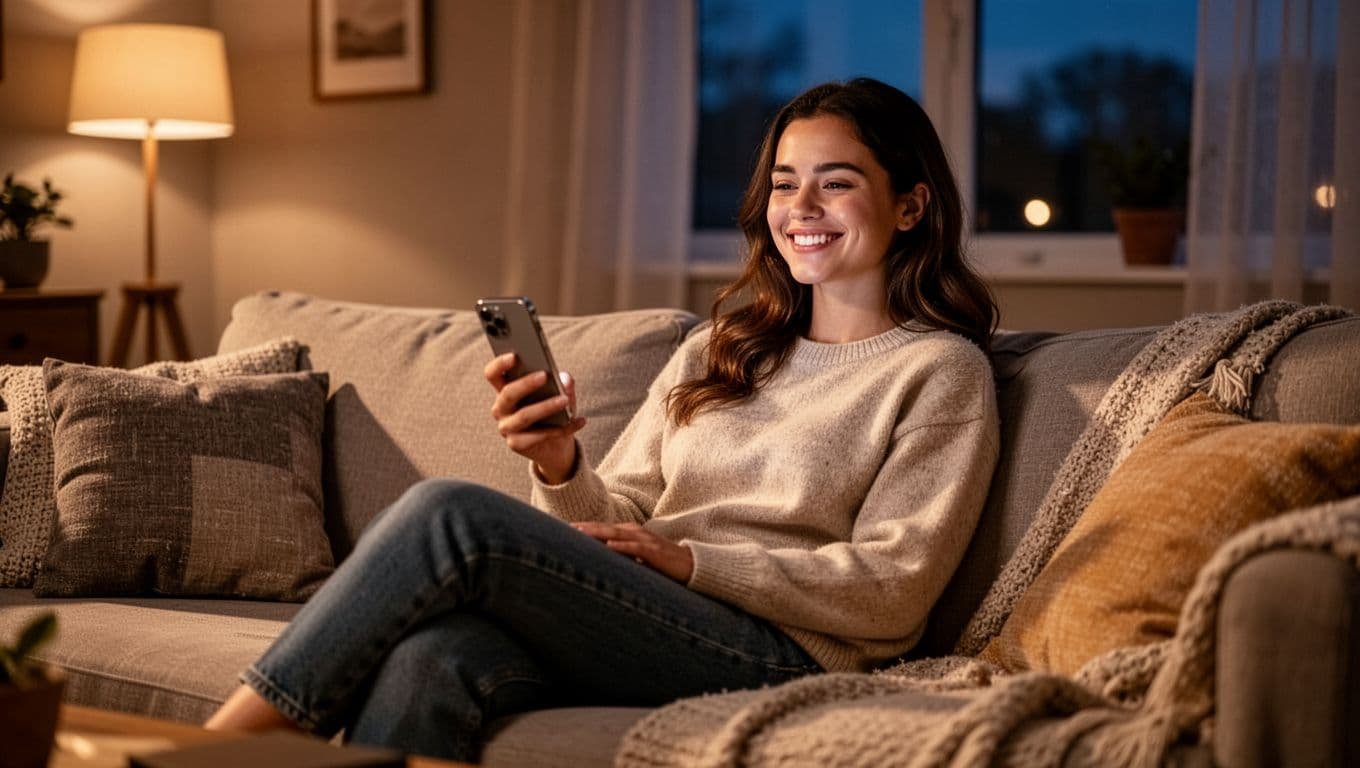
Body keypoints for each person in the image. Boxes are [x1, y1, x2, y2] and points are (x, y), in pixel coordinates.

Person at [204, 77, 1001, 761]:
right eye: (786, 183)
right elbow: (618, 522)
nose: (802, 207)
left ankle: (213, 755)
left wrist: (691, 563)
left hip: (786, 652)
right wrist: (559, 465)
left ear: (910, 206)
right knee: (432, 657)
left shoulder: (939, 372)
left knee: (450, 514)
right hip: (660, 614)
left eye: (836, 182)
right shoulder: (725, 348)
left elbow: (893, 592)